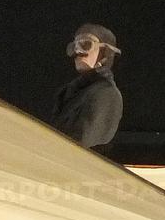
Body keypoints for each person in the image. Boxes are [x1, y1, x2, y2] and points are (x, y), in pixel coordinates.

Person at [52, 23, 123, 152]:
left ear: (105, 52)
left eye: (86, 45)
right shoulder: (66, 92)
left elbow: (84, 143)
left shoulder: (106, 94)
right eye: (74, 46)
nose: (77, 51)